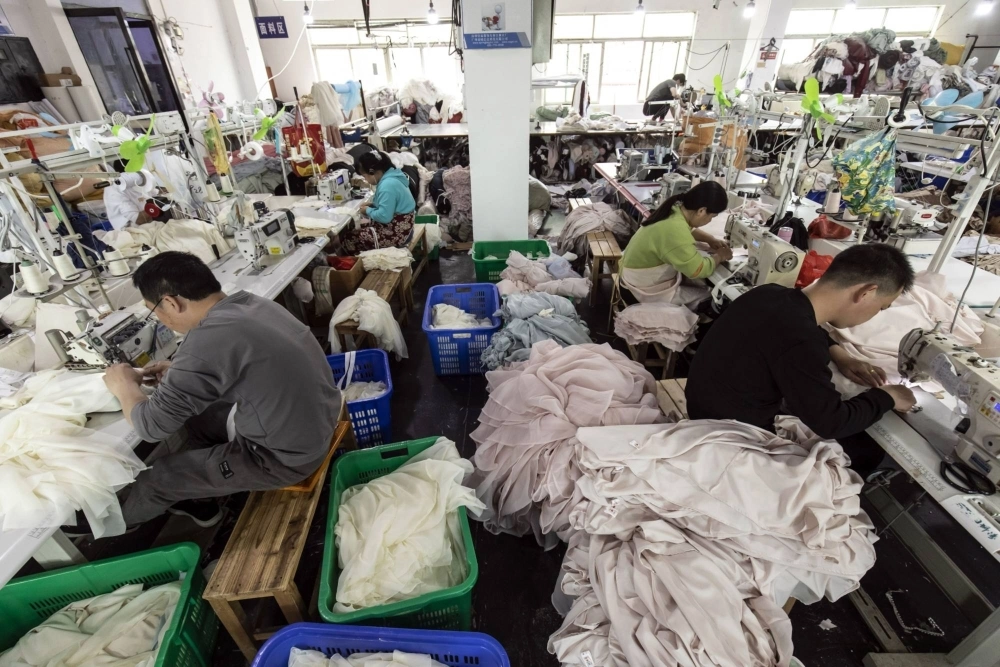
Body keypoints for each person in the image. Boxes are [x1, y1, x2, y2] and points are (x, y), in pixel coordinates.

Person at [102, 251, 343, 528]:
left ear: (170, 302)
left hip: (282, 460)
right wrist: (180, 372)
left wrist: (123, 385)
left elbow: (150, 427)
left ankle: (112, 526)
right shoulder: (252, 304)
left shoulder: (205, 342)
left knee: (158, 478)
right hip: (316, 424)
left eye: (153, 310)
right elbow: (239, 361)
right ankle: (202, 487)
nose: (159, 318)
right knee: (199, 419)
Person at [685, 244, 918, 475]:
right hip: (733, 439)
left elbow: (801, 328)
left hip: (704, 410)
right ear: (866, 293)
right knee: (865, 452)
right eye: (881, 307)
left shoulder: (767, 293)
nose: (875, 314)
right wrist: (888, 396)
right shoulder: (802, 340)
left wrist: (840, 354)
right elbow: (831, 423)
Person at [620, 181, 733, 306]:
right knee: (712, 298)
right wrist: (720, 256)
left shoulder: (675, 210)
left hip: (632, 279)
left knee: (695, 284)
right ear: (701, 211)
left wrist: (710, 239)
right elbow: (698, 270)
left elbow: (687, 230)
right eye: (712, 216)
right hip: (639, 291)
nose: (710, 221)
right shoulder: (675, 229)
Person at [340, 150, 417, 253]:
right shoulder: (394, 176)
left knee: (350, 238)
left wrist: (367, 210)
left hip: (398, 234)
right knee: (356, 227)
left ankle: (356, 262)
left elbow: (384, 217)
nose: (365, 180)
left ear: (372, 172)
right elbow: (391, 204)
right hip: (405, 228)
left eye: (365, 176)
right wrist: (373, 205)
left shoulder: (387, 185)